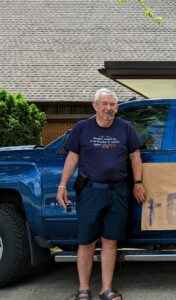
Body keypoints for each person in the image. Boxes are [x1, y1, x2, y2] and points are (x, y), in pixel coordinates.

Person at [56, 88, 146, 300]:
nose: (108, 108)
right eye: (104, 104)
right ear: (95, 106)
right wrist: (62, 185)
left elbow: (135, 156)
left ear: (116, 107)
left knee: (110, 240)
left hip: (118, 191)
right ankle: (84, 290)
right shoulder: (82, 128)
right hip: (90, 191)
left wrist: (138, 182)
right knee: (86, 241)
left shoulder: (126, 128)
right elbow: (72, 157)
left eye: (112, 104)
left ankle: (106, 289)